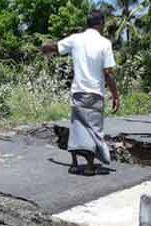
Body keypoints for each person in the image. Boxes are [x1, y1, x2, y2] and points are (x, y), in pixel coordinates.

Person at [42, 11, 120, 176]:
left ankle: (75, 164)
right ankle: (91, 166)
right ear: (101, 24)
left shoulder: (76, 39)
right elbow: (108, 73)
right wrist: (115, 95)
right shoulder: (105, 43)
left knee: (77, 127)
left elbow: (55, 47)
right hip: (95, 93)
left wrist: (45, 47)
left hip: (78, 92)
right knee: (93, 129)